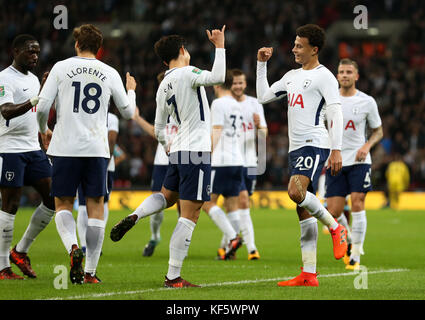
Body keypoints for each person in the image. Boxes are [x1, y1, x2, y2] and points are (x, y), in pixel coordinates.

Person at [110, 26, 226, 288]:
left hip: (178, 150)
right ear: (183, 51)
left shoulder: (163, 85)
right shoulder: (190, 72)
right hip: (196, 150)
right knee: (191, 214)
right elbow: (218, 75)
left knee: (167, 196)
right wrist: (220, 45)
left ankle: (137, 215)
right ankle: (173, 276)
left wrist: (166, 145)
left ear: (164, 60)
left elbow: (160, 128)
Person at [36, 24, 136, 284]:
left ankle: (72, 247)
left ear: (77, 44)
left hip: (65, 147)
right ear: (99, 47)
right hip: (96, 149)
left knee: (63, 205)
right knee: (95, 208)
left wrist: (44, 130)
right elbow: (127, 113)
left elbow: (43, 105)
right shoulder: (109, 71)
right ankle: (90, 272)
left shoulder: (60, 67)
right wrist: (132, 90)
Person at [256, 24, 347, 287]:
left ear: (314, 49)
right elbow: (263, 96)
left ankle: (335, 227)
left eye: (299, 46)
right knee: (303, 209)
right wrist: (261, 65)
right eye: (294, 44)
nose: (294, 49)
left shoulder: (325, 77)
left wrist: (337, 148)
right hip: (295, 147)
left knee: (296, 192)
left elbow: (335, 111)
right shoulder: (291, 76)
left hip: (315, 142)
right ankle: (309, 274)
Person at [0, 34, 55, 280]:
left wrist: (44, 131)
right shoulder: (4, 78)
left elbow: (35, 113)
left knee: (54, 197)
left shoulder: (33, 79)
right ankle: (3, 267)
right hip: (10, 149)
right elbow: (6, 111)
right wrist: (36, 97)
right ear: (16, 51)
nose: (35, 56)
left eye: (37, 52)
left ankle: (20, 251)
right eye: (30, 52)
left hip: (33, 149)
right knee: (10, 205)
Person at [325, 58, 383, 270]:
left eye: (349, 71)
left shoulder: (367, 101)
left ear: (356, 76)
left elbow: (379, 131)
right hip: (335, 161)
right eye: (341, 72)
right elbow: (322, 128)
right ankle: (349, 238)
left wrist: (367, 146)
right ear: (337, 76)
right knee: (333, 210)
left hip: (360, 161)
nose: (345, 75)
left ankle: (356, 255)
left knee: (357, 203)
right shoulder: (329, 102)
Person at [131, 72, 180, 257]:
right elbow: (155, 131)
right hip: (163, 161)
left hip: (184, 158)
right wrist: (137, 119)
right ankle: (154, 236)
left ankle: (178, 247)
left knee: (184, 205)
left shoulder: (188, 103)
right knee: (157, 203)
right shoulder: (163, 108)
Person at [202, 71, 244, 260]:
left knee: (207, 202)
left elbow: (217, 131)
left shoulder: (218, 104)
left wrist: (206, 155)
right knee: (232, 205)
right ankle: (230, 251)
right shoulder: (238, 104)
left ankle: (233, 238)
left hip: (221, 160)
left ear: (217, 86)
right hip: (238, 160)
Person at [229, 68, 267, 260]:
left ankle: (227, 245)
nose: (238, 86)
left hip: (249, 161)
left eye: (240, 83)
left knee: (238, 205)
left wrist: (260, 125)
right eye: (234, 83)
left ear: (245, 84)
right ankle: (251, 248)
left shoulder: (254, 104)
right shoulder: (223, 104)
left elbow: (264, 135)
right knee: (239, 202)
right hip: (228, 161)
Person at [76, 110, 122, 254]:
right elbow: (112, 140)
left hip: (85, 160)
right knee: (102, 203)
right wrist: (105, 164)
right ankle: (93, 244)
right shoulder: (112, 117)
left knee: (84, 204)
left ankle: (84, 245)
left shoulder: (81, 115)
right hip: (104, 165)